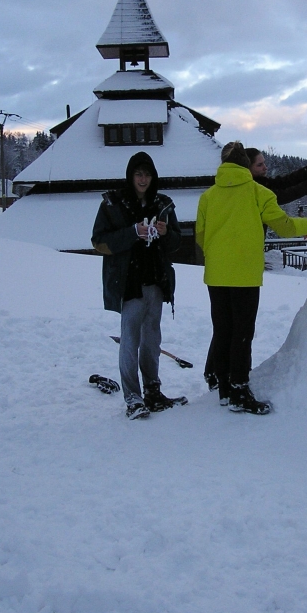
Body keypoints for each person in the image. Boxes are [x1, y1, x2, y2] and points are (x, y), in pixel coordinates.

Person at [195, 141, 307, 414]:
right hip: (245, 275)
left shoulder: (208, 196)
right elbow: (284, 226)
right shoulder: (257, 192)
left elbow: (201, 235)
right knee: (242, 334)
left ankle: (225, 390)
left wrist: (219, 256)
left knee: (223, 331)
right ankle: (240, 391)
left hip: (216, 274)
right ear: (244, 165)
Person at [91, 152, 182, 420]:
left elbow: (176, 242)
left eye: (147, 174)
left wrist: (166, 234)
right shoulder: (112, 203)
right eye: (138, 174)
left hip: (155, 279)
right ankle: (133, 397)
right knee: (130, 339)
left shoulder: (163, 204)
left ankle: (153, 391)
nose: (143, 179)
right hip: (128, 281)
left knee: (152, 338)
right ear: (131, 176)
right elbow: (99, 242)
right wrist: (132, 233)